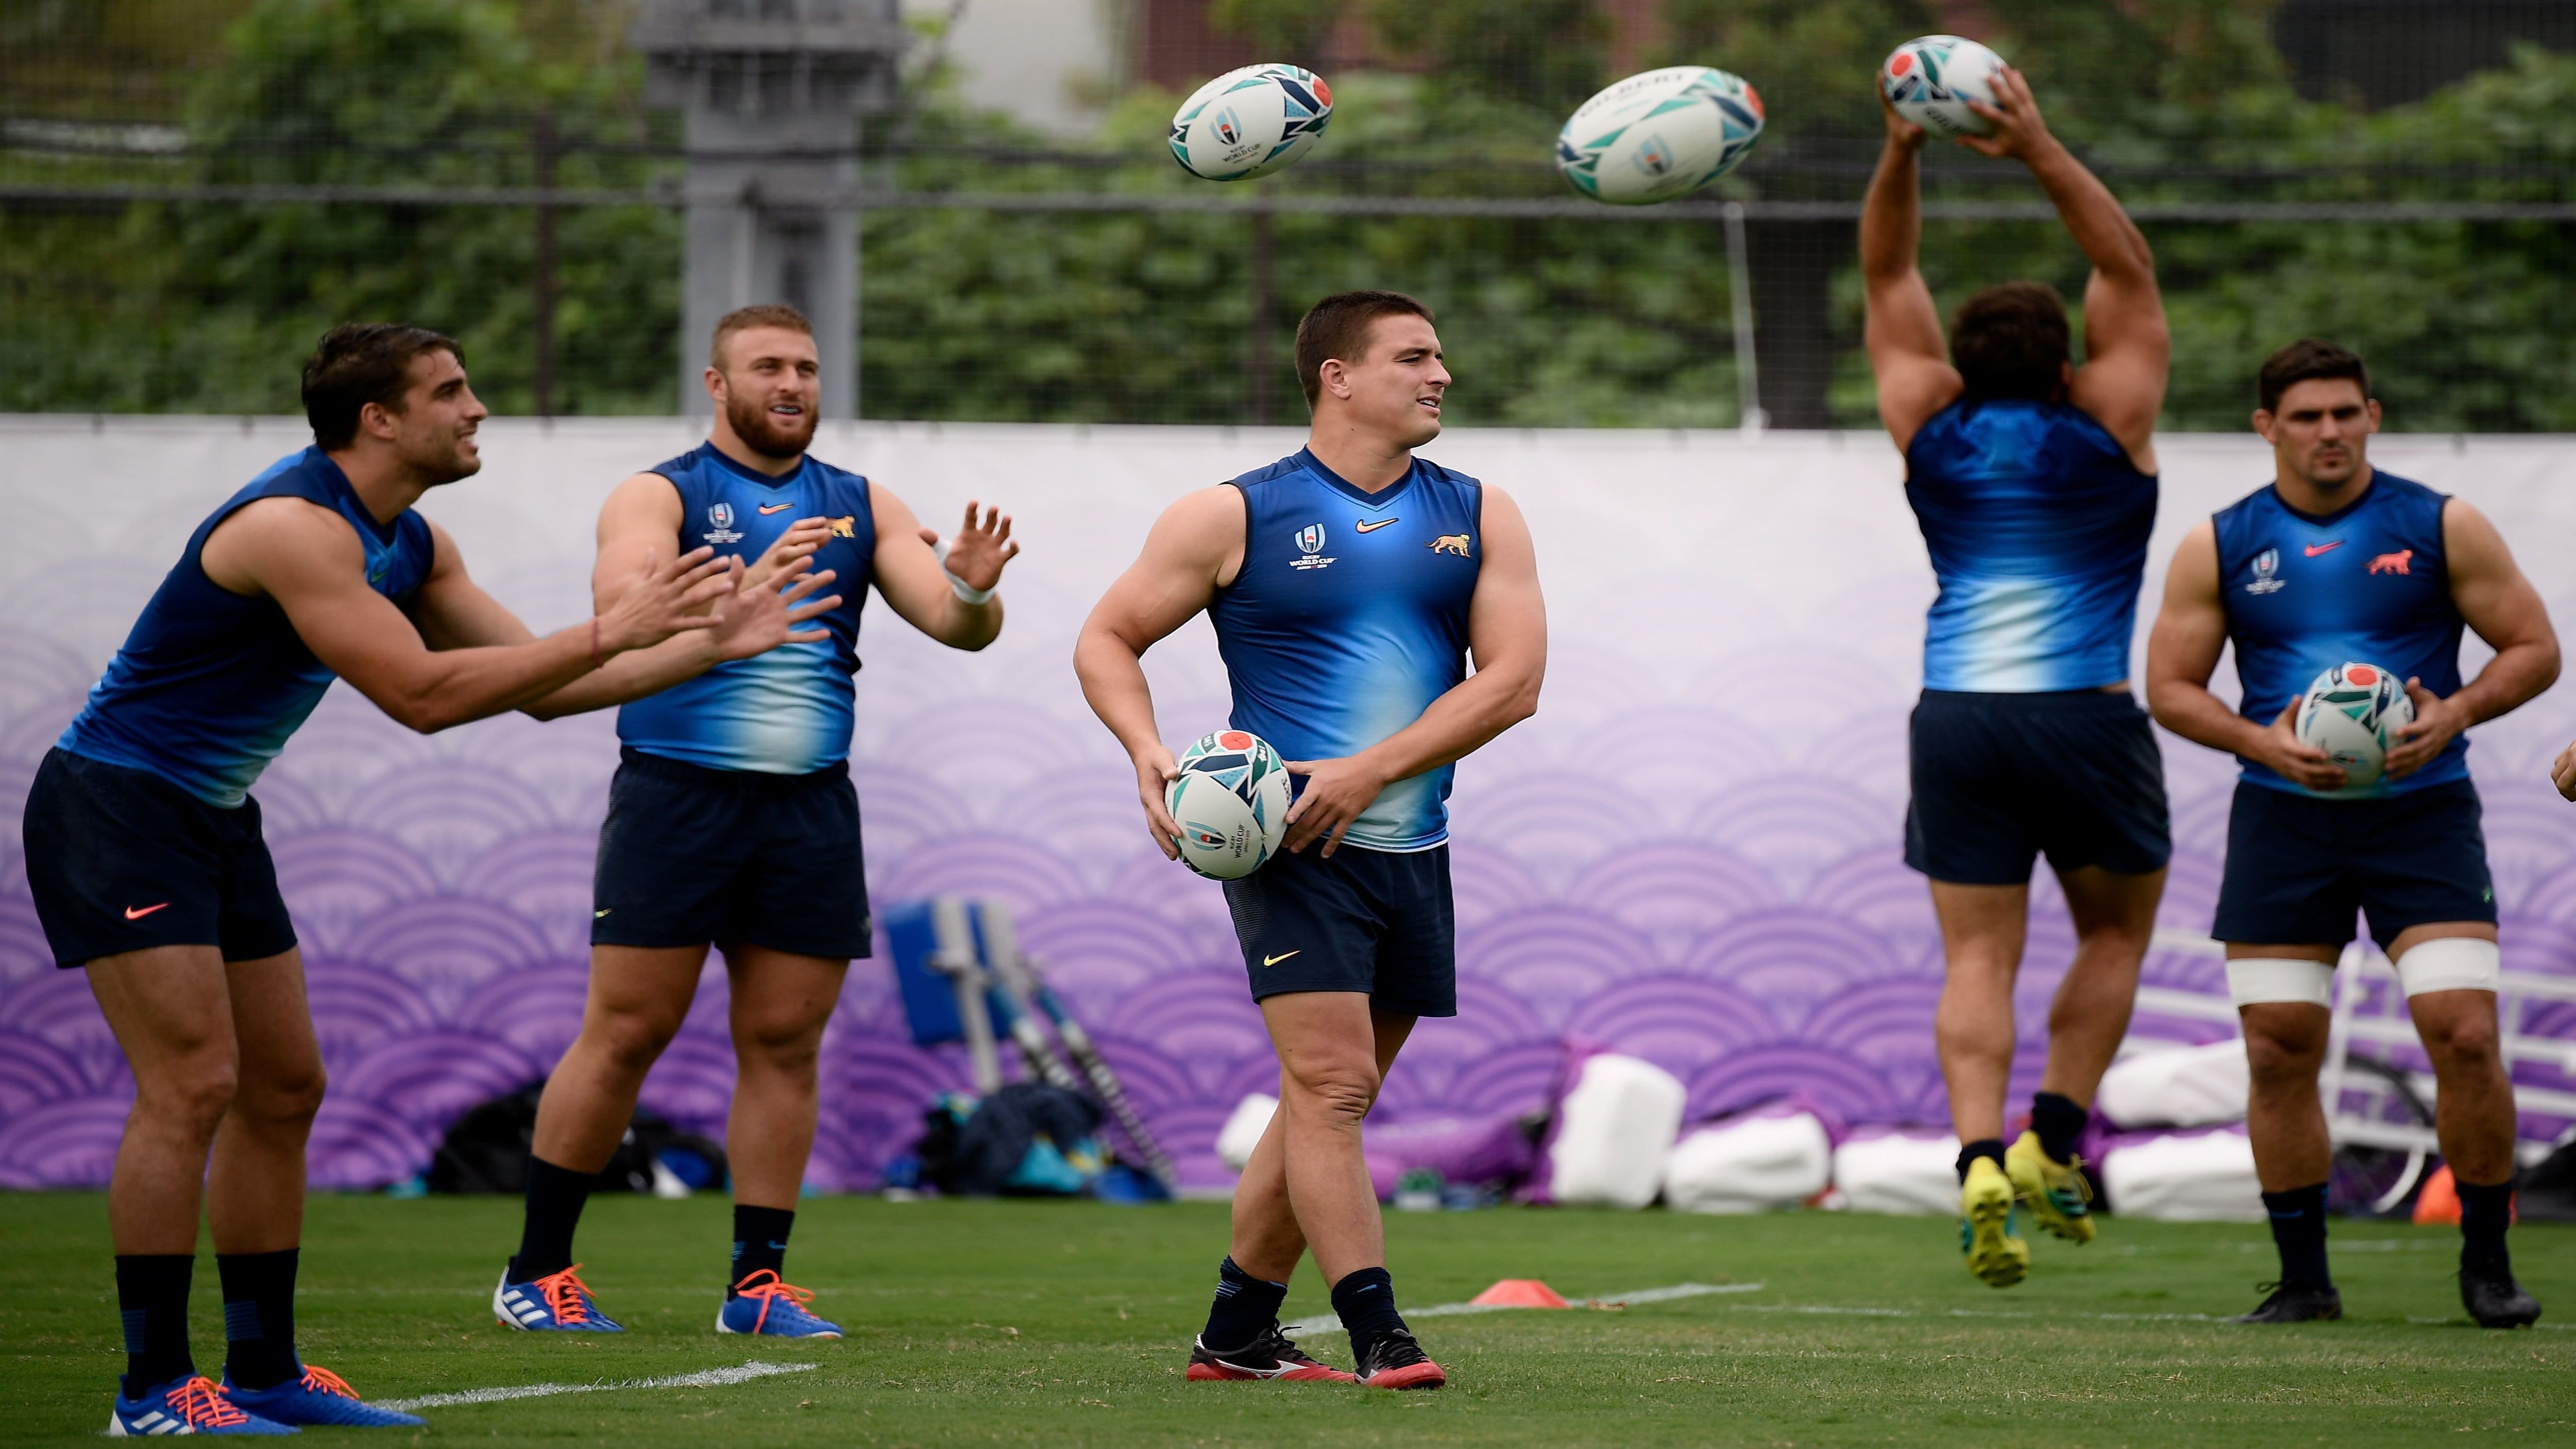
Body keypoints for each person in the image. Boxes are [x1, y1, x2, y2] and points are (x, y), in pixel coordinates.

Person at [25, 323, 833, 1435]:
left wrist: (709, 646)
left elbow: (539, 687)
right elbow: (423, 695)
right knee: (193, 1084)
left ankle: (261, 1366)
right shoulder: (290, 528)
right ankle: (152, 1387)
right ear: (379, 417)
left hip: (212, 814)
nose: (478, 408)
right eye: (451, 391)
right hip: (115, 807)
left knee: (285, 1086)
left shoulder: (414, 543)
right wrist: (609, 630)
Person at [493, 304, 1019, 1341]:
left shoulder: (861, 500)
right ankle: (536, 1269)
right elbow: (627, 601)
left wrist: (972, 588)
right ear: (716, 384)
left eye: (807, 369)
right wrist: (730, 595)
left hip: (809, 807)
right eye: (767, 366)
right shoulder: (661, 491)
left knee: (784, 1041)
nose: (792, 384)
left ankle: (756, 1285)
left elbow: (958, 626)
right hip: (675, 796)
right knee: (627, 1032)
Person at [1074, 290, 1546, 1390]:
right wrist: (1145, 751)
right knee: (1330, 1088)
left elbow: (1515, 683)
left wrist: (1371, 771)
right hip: (1289, 847)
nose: (1441, 373)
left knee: (1320, 1103)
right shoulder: (1232, 515)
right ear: (1337, 375)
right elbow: (1106, 635)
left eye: (1440, 354)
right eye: (1414, 356)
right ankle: (1382, 1333)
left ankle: (1235, 1333)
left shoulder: (1481, 511)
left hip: (1411, 845)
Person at [2145, 340, 2556, 1328]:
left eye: (2345, 412)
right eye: (2306, 416)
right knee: (2279, 1046)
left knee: (2463, 1036)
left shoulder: (2439, 524)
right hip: (2283, 821)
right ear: (2267, 428)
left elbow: (2534, 649)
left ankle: (2488, 1267)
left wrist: (2452, 714)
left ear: (2372, 414)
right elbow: (2168, 688)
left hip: (2424, 816)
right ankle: (2303, 1281)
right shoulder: (2221, 542)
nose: (2328, 431)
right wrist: (2261, 742)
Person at [1861, 69, 2172, 1286]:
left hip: (1958, 719)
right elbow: (2131, 272)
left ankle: (1978, 1153)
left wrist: (1902, 154)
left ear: (1965, 360)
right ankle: (2054, 1133)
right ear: (2067, 361)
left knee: (1976, 957)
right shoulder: (2111, 416)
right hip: (2084, 715)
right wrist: (2037, 145)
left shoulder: (1923, 418)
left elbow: (1890, 282)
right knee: (2111, 932)